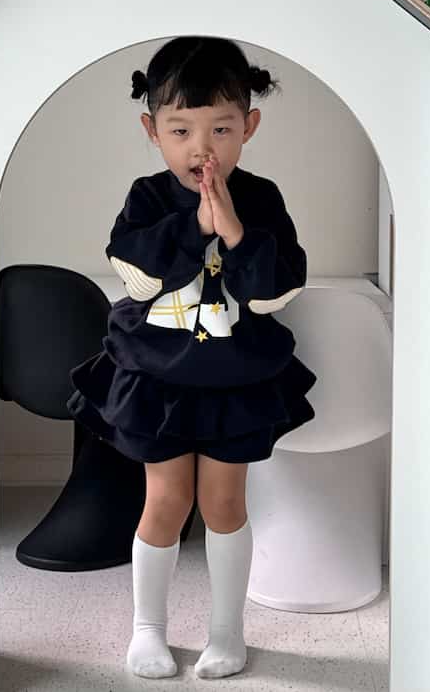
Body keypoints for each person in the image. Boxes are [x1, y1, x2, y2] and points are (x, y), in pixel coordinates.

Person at [66, 36, 317, 680]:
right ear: (152, 131)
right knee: (166, 502)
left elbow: (276, 291)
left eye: (221, 130)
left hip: (236, 379)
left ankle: (227, 632)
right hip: (159, 377)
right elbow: (137, 276)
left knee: (225, 505)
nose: (202, 149)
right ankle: (147, 629)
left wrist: (234, 229)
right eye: (181, 131)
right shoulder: (147, 197)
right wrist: (197, 226)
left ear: (248, 127)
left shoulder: (262, 198)